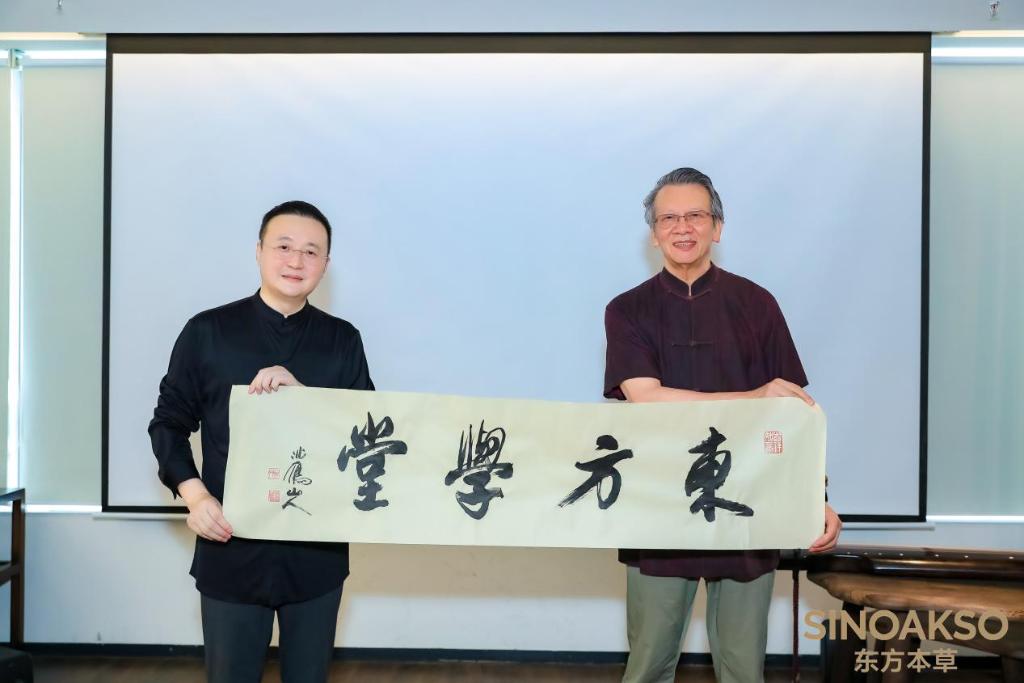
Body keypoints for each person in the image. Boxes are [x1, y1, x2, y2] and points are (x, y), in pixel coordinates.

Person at [604, 168, 841, 683]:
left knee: (742, 666)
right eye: (668, 218)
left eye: (695, 215)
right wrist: (752, 396)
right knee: (648, 663)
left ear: (718, 227)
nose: (682, 227)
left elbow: (792, 413)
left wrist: (814, 496)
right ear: (653, 233)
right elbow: (645, 399)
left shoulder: (758, 304)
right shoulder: (627, 310)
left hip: (747, 501)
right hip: (657, 502)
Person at [149, 200, 373, 683]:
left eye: (311, 251)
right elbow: (168, 424)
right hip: (230, 543)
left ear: (326, 264)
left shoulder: (342, 340)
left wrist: (305, 400)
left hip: (316, 553)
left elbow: (365, 437)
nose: (296, 261)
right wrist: (196, 496)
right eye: (284, 246)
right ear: (258, 252)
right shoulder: (207, 331)